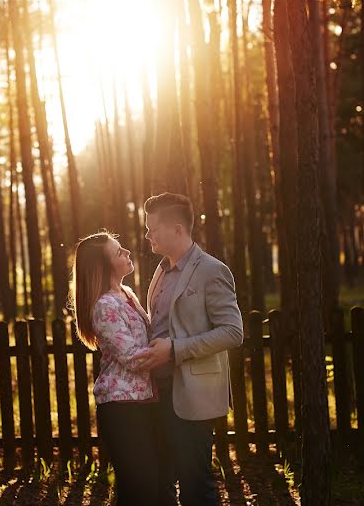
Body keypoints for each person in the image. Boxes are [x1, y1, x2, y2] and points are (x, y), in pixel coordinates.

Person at [136, 192, 244, 505]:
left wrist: (175, 349)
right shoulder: (160, 270)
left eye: (153, 229)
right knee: (161, 481)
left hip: (190, 394)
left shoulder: (212, 271)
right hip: (156, 391)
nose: (148, 235)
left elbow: (233, 332)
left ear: (178, 230)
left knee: (196, 484)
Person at [71, 231, 158, 505]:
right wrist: (172, 352)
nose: (128, 253)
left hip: (141, 401)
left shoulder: (126, 294)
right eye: (119, 252)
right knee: (136, 487)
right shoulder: (105, 306)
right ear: (104, 265)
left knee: (148, 484)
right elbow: (131, 356)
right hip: (122, 407)